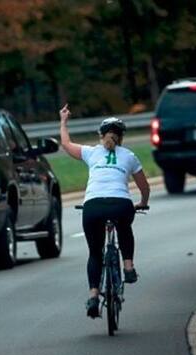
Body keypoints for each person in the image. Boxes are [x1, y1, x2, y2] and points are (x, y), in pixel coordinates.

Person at [59, 104, 150, 319]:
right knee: (124, 227)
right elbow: (144, 186)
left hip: (93, 206)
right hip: (121, 204)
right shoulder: (129, 155)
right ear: (122, 137)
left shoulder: (91, 152)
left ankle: (93, 295)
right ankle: (128, 266)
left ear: (101, 135)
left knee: (95, 252)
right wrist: (142, 202)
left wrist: (63, 121)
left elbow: (65, 143)